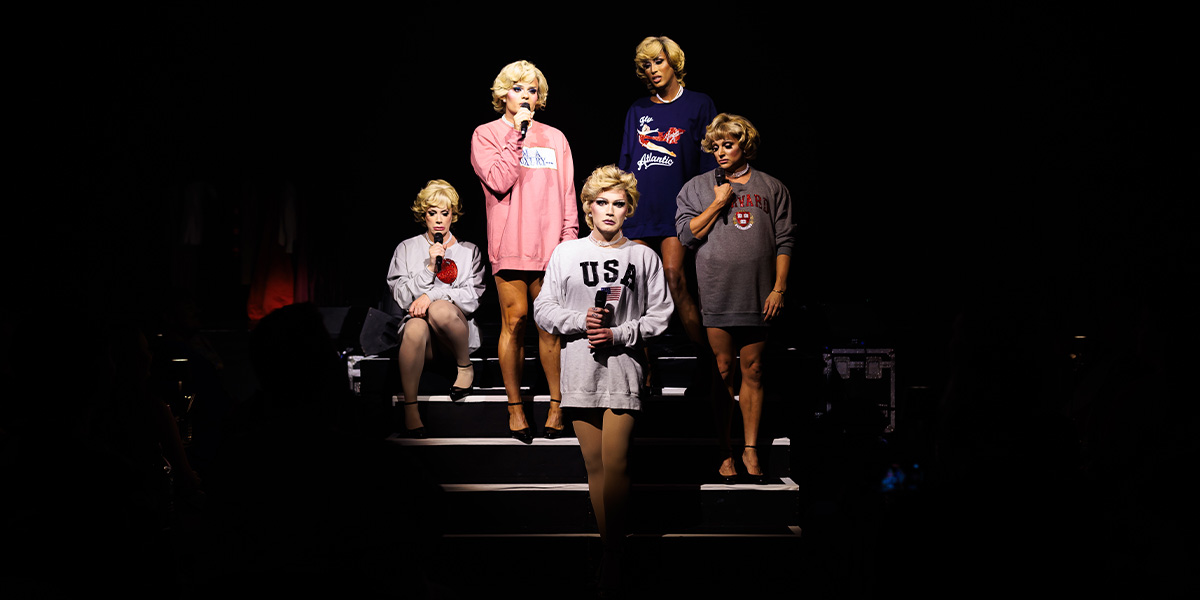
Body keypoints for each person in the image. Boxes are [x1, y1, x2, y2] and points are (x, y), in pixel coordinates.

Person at [534, 164, 673, 593]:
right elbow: (544, 309)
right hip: (578, 368)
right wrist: (581, 321)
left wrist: (620, 332)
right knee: (595, 467)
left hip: (623, 369)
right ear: (588, 208)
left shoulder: (643, 256)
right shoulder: (566, 253)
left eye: (619, 203)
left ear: (629, 209)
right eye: (602, 202)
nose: (610, 210)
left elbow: (660, 315)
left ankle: (613, 554)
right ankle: (610, 546)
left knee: (617, 463)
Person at [675, 114, 795, 484]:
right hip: (717, 290)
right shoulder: (696, 188)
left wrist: (779, 287)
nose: (721, 151)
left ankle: (751, 448)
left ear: (745, 145)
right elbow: (685, 236)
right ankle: (725, 451)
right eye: (715, 145)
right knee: (723, 370)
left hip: (759, 294)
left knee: (754, 370)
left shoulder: (773, 187)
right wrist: (717, 202)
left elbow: (785, 239)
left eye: (728, 144)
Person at [471, 59, 577, 443]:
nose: (526, 95)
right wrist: (516, 135)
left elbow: (567, 194)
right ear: (503, 93)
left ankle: (556, 404)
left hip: (551, 248)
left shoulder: (556, 138)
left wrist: (569, 240)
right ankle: (516, 408)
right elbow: (499, 180)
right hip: (511, 244)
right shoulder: (485, 134)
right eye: (518, 88)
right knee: (514, 323)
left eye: (532, 90)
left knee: (550, 328)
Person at [617, 36, 717, 393]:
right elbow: (625, 166)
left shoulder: (699, 104)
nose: (653, 70)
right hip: (642, 211)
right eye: (646, 65)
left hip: (678, 212)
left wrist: (704, 210)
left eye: (658, 62)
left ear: (673, 61)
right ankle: (645, 364)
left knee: (674, 276)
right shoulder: (638, 110)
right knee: (636, 287)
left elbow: (710, 163)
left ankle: (707, 360)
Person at [387, 179, 486, 437]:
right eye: (433, 213)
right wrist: (430, 268)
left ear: (454, 214)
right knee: (415, 325)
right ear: (424, 215)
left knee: (440, 308)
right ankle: (411, 407)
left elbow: (472, 297)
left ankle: (465, 368)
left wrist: (432, 295)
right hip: (423, 343)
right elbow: (400, 296)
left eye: (445, 212)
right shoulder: (406, 248)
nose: (439, 220)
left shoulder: (468, 251)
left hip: (454, 336)